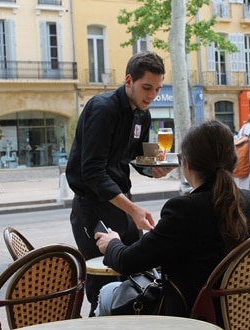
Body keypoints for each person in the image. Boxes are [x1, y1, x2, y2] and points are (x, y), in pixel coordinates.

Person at [94, 120, 250, 320]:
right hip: (246, 318)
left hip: (192, 319)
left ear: (186, 163)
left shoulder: (184, 209)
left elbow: (127, 261)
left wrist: (111, 243)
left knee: (107, 293)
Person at [65, 51, 170, 316]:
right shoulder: (102, 109)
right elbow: (92, 172)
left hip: (122, 204)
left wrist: (153, 169)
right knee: (103, 288)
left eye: (157, 89)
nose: (152, 95)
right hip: (93, 208)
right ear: (128, 81)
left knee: (134, 281)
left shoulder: (142, 115)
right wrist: (133, 209)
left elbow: (135, 159)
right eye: (147, 87)